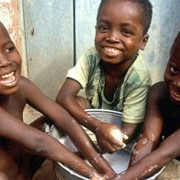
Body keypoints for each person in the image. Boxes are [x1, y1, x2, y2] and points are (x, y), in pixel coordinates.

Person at [0, 21, 116, 180]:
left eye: (9, 49)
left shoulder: (22, 85)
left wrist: (100, 163)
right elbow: (39, 143)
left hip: (24, 167)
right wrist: (93, 174)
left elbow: (64, 119)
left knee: (74, 106)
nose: (5, 61)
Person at [56, 0, 153, 153]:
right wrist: (97, 127)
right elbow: (64, 97)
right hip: (95, 120)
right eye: (104, 28)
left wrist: (89, 150)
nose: (112, 38)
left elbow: (127, 133)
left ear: (143, 41)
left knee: (140, 141)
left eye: (126, 31)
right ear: (96, 29)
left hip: (124, 127)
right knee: (69, 106)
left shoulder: (139, 78)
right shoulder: (91, 57)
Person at [111, 32, 180, 180]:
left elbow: (164, 154)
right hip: (163, 158)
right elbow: (149, 140)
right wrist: (125, 174)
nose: (177, 83)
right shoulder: (159, 93)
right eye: (174, 69)